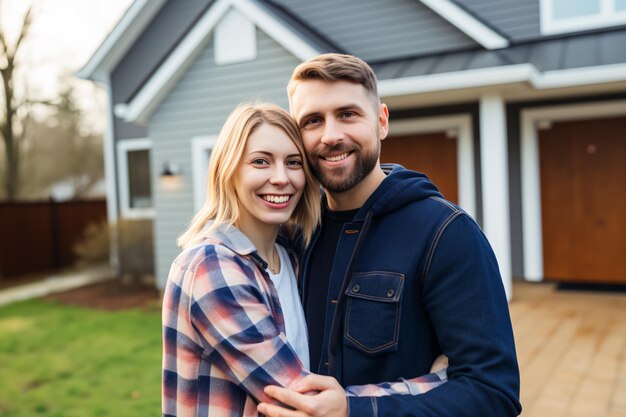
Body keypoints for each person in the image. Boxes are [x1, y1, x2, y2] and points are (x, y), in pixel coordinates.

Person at [258, 54, 522, 417]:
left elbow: (493, 391)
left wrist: (354, 410)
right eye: (313, 121)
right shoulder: (293, 235)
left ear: (381, 121)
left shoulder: (445, 233)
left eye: (348, 114)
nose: (331, 136)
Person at [162, 103, 446, 417]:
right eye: (261, 162)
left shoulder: (294, 255)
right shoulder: (212, 267)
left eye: (293, 162)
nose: (281, 178)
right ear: (229, 170)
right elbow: (306, 402)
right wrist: (439, 380)